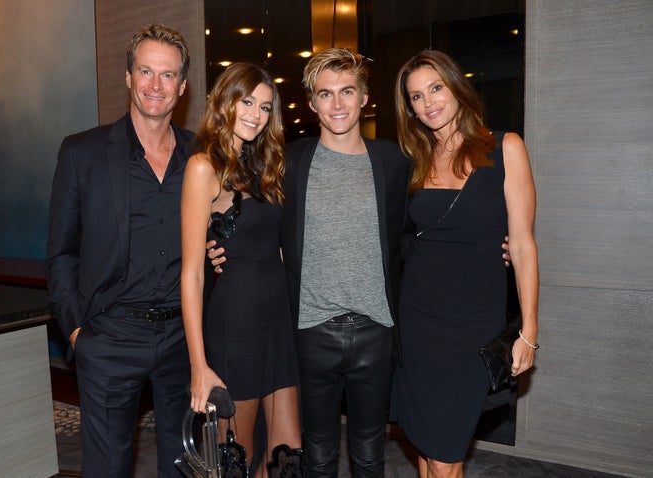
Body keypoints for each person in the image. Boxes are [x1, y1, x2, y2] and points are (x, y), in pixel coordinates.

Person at [210, 48, 411, 477]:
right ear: (312, 102)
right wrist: (218, 243)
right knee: (315, 455)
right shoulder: (289, 163)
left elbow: (416, 231)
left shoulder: (393, 163)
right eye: (325, 94)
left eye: (347, 92)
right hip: (309, 332)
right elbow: (248, 212)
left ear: (363, 98)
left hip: (376, 330)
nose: (337, 104)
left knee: (370, 454)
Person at [44, 24, 193, 478]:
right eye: (145, 71)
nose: (155, 85)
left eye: (167, 76)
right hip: (110, 336)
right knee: (106, 468)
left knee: (184, 465)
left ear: (182, 87)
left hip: (184, 339)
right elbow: (60, 253)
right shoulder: (81, 153)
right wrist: (76, 334)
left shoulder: (202, 155)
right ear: (128, 76)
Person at [390, 49, 540, 478]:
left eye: (435, 88)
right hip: (418, 320)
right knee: (426, 444)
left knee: (445, 452)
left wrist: (529, 331)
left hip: (473, 324)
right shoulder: (413, 161)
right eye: (416, 97)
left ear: (457, 87)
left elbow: (524, 244)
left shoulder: (505, 147)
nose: (428, 102)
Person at [180, 62, 302, 477]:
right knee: (237, 460)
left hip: (276, 321)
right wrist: (199, 365)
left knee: (286, 458)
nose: (255, 114)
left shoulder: (264, 166)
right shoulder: (203, 167)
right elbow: (192, 273)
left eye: (265, 107)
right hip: (237, 326)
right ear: (224, 102)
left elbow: (278, 248)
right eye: (246, 101)